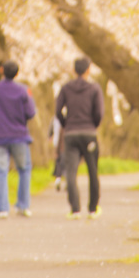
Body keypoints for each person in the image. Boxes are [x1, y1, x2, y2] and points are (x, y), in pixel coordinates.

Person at [0, 60, 36, 217]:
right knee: (24, 170)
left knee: (1, 171)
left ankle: (3, 209)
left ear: (1, 70)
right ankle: (23, 206)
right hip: (19, 137)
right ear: (17, 73)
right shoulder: (23, 91)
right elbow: (31, 112)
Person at [55, 57, 104, 219]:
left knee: (71, 172)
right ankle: (92, 209)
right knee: (92, 171)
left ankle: (75, 209)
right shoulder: (94, 88)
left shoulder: (65, 88)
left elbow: (57, 111)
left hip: (71, 134)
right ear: (88, 70)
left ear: (74, 70)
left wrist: (66, 123)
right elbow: (99, 113)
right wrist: (93, 125)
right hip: (89, 133)